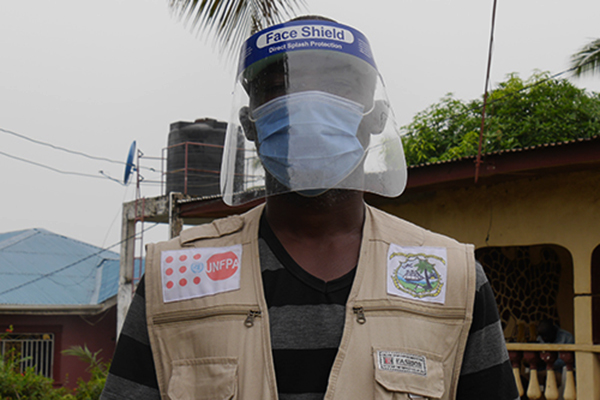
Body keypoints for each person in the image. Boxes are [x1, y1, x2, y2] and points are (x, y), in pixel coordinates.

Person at [101, 16, 518, 400]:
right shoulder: (173, 278)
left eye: (338, 83)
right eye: (280, 85)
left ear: (375, 117)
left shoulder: (452, 278)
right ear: (250, 125)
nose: (307, 104)